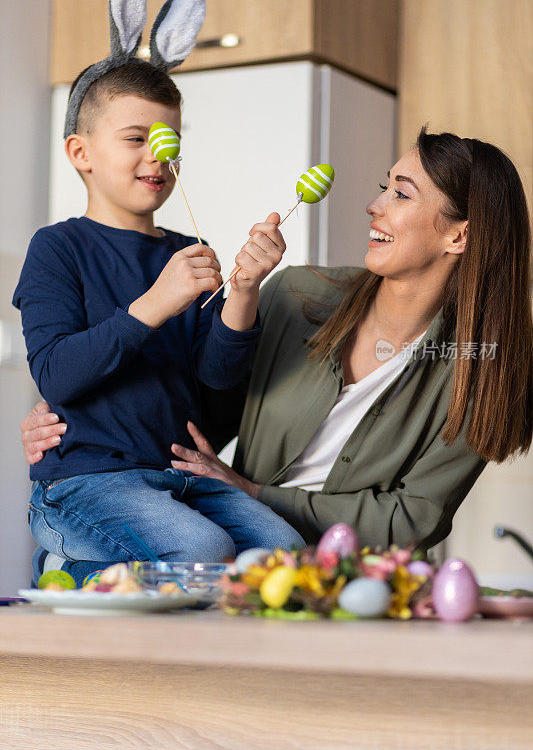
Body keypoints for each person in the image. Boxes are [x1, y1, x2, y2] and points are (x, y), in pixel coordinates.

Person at [22, 127, 533, 577]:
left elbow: (413, 519)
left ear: (459, 235)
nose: (374, 205)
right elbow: (197, 402)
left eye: (400, 194)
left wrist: (254, 492)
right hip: (233, 554)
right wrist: (78, 420)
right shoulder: (295, 296)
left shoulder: (486, 368)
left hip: (351, 579)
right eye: (385, 187)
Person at [14, 58, 305, 588]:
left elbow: (217, 375)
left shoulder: (186, 251)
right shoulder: (57, 248)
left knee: (284, 555)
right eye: (134, 138)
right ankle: (69, 569)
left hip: (180, 475)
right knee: (202, 550)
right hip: (88, 480)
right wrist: (156, 302)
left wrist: (243, 290)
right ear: (81, 153)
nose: (158, 156)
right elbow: (56, 374)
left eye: (169, 141)